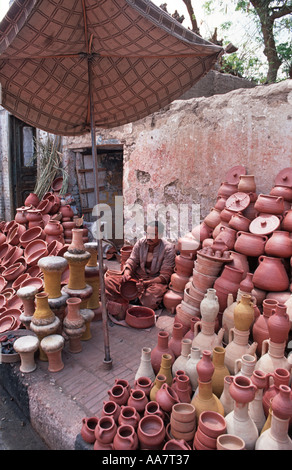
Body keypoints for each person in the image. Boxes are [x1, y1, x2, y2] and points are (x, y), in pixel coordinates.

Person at [105, 221, 175, 313]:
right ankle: (133, 297)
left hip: (153, 281)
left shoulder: (168, 249)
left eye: (153, 234)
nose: (149, 237)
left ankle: (131, 298)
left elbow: (165, 276)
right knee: (108, 281)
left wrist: (145, 283)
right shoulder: (141, 243)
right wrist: (127, 273)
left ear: (160, 235)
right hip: (137, 277)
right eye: (147, 233)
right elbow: (132, 260)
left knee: (152, 298)